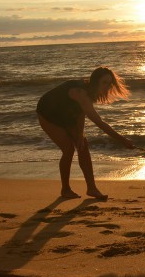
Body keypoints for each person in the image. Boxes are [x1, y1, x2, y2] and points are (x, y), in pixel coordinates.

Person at [37, 67, 134, 199]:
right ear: (95, 81)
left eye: (109, 84)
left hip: (67, 114)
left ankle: (92, 189)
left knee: (83, 146)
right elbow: (99, 122)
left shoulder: (90, 93)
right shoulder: (81, 93)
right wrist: (122, 140)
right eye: (104, 83)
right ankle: (65, 189)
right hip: (48, 113)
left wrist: (80, 135)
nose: (107, 87)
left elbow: (80, 113)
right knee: (68, 149)